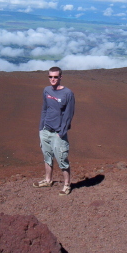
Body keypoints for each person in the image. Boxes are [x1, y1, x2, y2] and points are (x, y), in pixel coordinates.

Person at [33, 66, 75, 195]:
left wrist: (61, 132)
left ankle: (67, 185)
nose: (53, 79)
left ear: (60, 77)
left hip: (58, 133)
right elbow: (44, 109)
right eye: (50, 77)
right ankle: (48, 180)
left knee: (62, 159)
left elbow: (69, 114)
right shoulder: (46, 91)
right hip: (46, 130)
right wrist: (41, 127)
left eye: (55, 77)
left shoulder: (68, 93)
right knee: (47, 156)